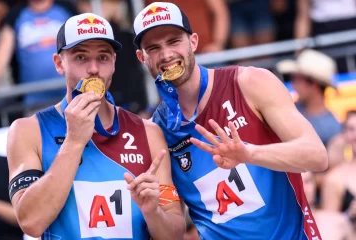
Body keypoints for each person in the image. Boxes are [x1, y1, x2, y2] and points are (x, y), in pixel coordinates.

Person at [133, 2, 328, 239]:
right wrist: (153, 211)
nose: (166, 55)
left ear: (193, 42)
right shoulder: (157, 131)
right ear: (142, 58)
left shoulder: (249, 82)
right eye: (153, 48)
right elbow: (173, 229)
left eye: (174, 41)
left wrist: (249, 155)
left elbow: (317, 156)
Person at [6, 12, 185, 239]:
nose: (93, 69)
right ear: (59, 64)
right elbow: (30, 222)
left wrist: (153, 213)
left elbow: (174, 234)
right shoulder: (27, 130)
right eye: (81, 58)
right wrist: (74, 142)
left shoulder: (147, 132)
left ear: (113, 63)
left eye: (102, 57)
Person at [322, 111, 356, 226]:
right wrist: (349, 215)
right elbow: (329, 228)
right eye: (351, 129)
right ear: (344, 135)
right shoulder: (335, 178)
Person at [301, 171, 354, 240]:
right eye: (297, 184)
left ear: (315, 184)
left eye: (307, 182)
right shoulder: (284, 226)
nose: (304, 188)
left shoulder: (338, 222)